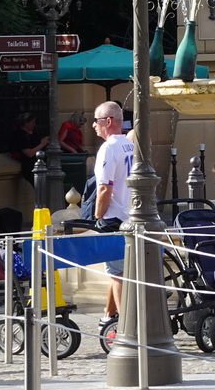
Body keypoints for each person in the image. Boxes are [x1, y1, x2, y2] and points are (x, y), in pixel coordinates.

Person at [92, 101, 134, 329]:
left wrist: (98, 215)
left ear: (108, 122)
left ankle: (125, 327)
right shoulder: (129, 145)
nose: (93, 126)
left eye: (97, 121)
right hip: (132, 215)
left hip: (114, 217)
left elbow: (105, 187)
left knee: (117, 274)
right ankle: (109, 315)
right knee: (118, 269)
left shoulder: (108, 148)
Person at [8, 112, 49, 184]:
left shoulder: (34, 133)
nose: (34, 124)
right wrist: (42, 144)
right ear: (26, 123)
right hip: (30, 166)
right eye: (32, 122)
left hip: (41, 164)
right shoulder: (20, 135)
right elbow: (29, 153)